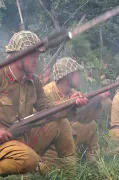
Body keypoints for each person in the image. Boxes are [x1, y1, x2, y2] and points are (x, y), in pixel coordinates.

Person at [0, 31, 88, 175]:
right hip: (3, 144)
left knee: (60, 122)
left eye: (37, 56)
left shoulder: (34, 82)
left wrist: (72, 102)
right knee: (29, 159)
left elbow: (49, 109)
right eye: (32, 55)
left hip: (22, 138)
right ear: (17, 55)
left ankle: (70, 174)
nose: (36, 60)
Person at [39, 57, 110, 168]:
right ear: (68, 77)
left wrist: (97, 100)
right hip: (48, 143)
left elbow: (85, 119)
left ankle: (94, 161)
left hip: (67, 135)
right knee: (51, 170)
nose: (80, 76)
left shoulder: (72, 92)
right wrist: (68, 103)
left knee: (91, 125)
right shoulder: (46, 93)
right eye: (77, 73)